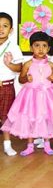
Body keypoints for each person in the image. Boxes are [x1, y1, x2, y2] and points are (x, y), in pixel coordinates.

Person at [1, 31, 53, 156]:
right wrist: (26, 79)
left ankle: (47, 144)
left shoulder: (50, 64)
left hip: (45, 96)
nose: (40, 49)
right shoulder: (28, 64)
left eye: (44, 46)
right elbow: (20, 79)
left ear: (48, 48)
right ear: (31, 48)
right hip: (30, 96)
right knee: (29, 119)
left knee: (46, 119)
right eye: (37, 45)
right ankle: (30, 145)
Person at [0, 12, 23, 156]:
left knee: (5, 117)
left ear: (11, 30)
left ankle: (7, 144)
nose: (1, 29)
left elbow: (20, 68)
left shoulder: (13, 47)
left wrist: (9, 64)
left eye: (5, 26)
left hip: (6, 86)